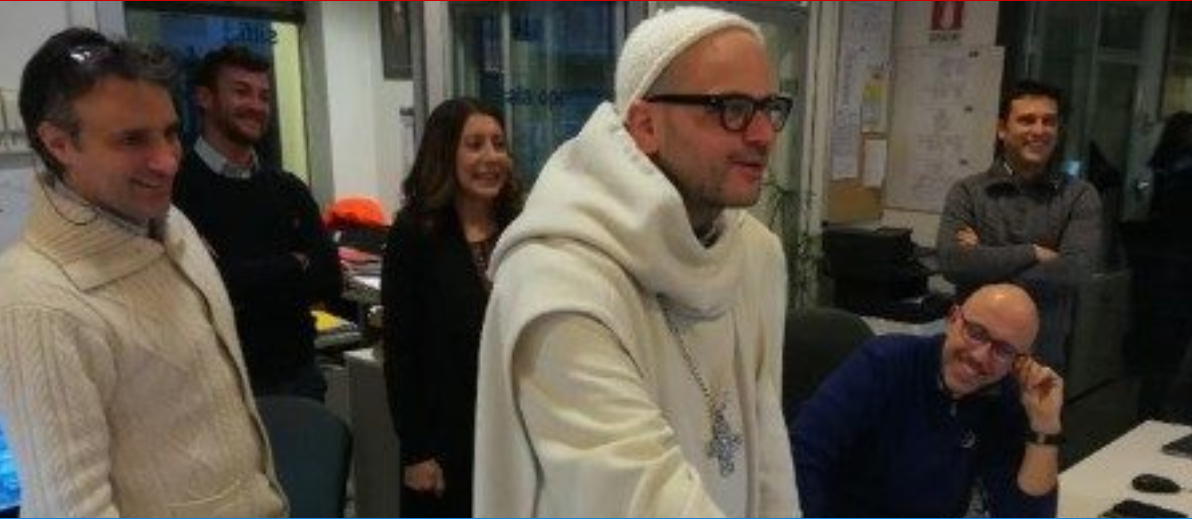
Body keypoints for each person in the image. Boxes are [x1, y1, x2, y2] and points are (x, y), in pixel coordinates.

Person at [474, 6, 798, 516]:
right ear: (646, 124)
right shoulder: (557, 278)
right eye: (732, 108)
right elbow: (636, 500)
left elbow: (768, 447)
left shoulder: (755, 254)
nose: (763, 135)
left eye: (769, 107)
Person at [0, 28, 285, 516]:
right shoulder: (36, 300)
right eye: (132, 139)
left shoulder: (173, 225)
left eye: (170, 132)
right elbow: (72, 510)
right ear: (59, 143)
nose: (167, 162)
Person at [793, 284, 1063, 517]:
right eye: (976, 332)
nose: (980, 356)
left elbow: (1025, 514)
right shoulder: (884, 363)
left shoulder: (1003, 398)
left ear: (1021, 362)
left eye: (1003, 350)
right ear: (953, 319)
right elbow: (802, 455)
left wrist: (1045, 425)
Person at [173, 45, 342, 401]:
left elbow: (328, 278)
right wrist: (294, 263)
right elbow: (202, 289)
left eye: (264, 96)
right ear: (204, 98)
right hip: (218, 384)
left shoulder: (287, 189)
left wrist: (245, 275)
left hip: (298, 376)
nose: (256, 105)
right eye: (241, 92)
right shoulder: (175, 191)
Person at [381, 97, 522, 517]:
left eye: (498, 143)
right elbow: (401, 352)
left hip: (514, 433)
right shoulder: (414, 234)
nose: (491, 157)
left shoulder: (521, 228)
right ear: (445, 155)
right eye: (474, 145)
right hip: (446, 443)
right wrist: (417, 452)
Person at [937, 80, 1102, 373]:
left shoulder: (1079, 195)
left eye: (1048, 121)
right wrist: (1033, 252)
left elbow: (1075, 271)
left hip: (1039, 361)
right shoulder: (968, 192)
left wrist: (984, 257)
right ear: (1002, 129)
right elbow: (953, 262)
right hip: (971, 357)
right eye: (1027, 120)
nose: (1039, 130)